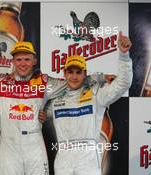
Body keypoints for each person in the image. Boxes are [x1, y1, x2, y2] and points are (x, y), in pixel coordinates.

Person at [0, 37, 107, 174]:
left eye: (27, 59)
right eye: (18, 59)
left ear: (34, 61)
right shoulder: (0, 82)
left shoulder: (45, 83)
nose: (22, 63)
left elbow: (73, 80)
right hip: (9, 146)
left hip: (34, 145)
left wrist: (99, 77)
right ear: (12, 61)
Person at [44, 31, 132, 175]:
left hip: (88, 159)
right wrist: (40, 114)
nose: (74, 76)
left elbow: (123, 83)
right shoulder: (55, 99)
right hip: (63, 159)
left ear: (85, 74)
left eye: (78, 72)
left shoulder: (96, 94)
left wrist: (124, 56)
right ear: (64, 73)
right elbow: (36, 110)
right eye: (70, 72)